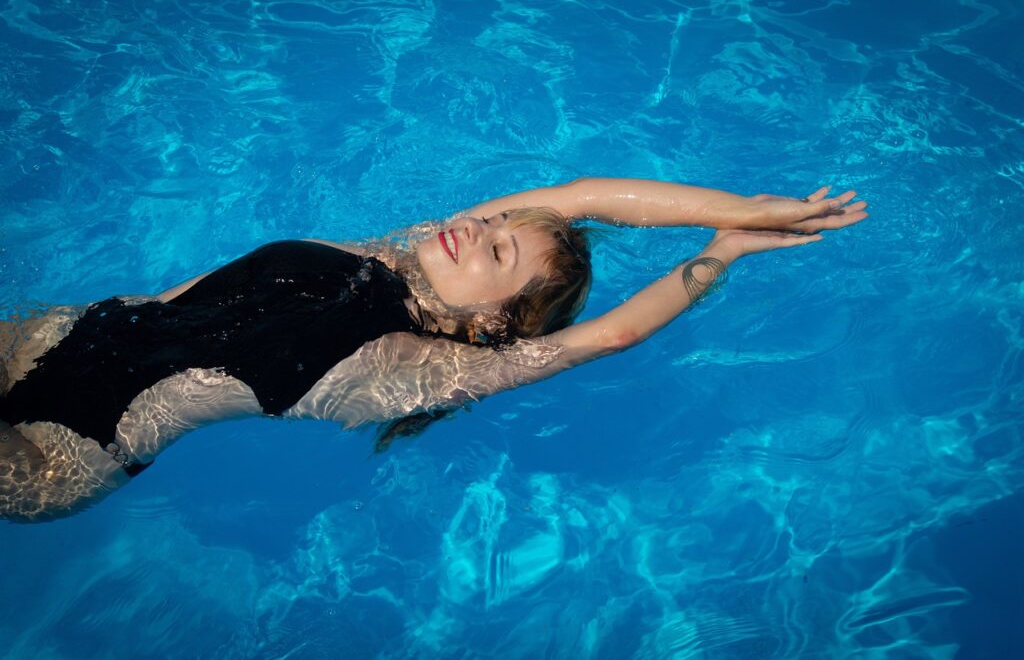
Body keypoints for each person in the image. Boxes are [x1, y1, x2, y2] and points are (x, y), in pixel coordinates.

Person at [0, 178, 868, 522]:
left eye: (496, 251)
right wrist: (753, 205)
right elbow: (585, 194)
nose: (474, 228)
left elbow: (613, 333)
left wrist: (722, 250)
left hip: (64, 451)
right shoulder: (396, 249)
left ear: (493, 322)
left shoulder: (417, 369)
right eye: (491, 224)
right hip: (57, 335)